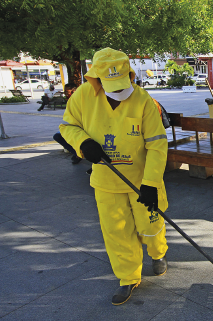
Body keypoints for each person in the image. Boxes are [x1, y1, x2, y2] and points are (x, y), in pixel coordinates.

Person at [60, 48, 169, 305]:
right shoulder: (82, 97)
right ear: (95, 79)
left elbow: (156, 143)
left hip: (141, 180)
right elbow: (67, 125)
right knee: (117, 232)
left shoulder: (143, 100)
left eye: (123, 83)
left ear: (130, 75)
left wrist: (151, 184)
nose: (120, 92)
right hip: (107, 181)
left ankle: (157, 253)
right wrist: (83, 142)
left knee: (150, 226)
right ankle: (128, 277)